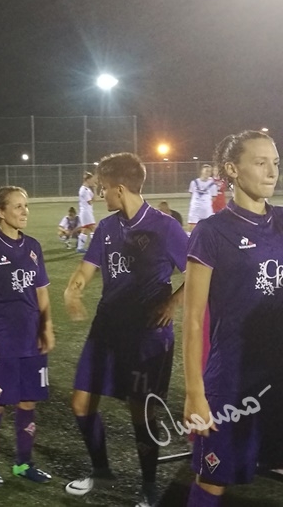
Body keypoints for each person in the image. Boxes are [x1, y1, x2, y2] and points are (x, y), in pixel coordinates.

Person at [63, 153, 188, 507]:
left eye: (103, 188)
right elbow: (86, 269)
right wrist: (73, 288)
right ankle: (101, 470)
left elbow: (197, 273)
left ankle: (149, 487)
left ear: (119, 188)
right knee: (81, 404)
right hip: (106, 329)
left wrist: (171, 304)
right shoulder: (106, 227)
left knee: (141, 413)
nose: (101, 195)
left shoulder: (165, 227)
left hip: (146, 335)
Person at [183, 131, 283, 506]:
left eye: (276, 163)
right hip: (231, 381)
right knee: (213, 478)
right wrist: (195, 394)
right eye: (260, 162)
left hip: (278, 375)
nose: (272, 172)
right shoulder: (211, 232)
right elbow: (194, 320)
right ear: (232, 169)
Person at [0, 186, 55, 486]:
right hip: (2, 341)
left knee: (28, 402)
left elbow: (41, 292)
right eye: (18, 206)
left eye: (25, 205)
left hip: (31, 340)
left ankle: (23, 463)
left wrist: (46, 326)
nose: (24, 211)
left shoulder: (33, 246)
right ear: (0, 211)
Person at [187, 164, 218, 231]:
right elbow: (191, 193)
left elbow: (214, 198)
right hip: (195, 210)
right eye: (206, 171)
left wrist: (205, 203)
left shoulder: (213, 185)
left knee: (207, 230)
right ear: (201, 171)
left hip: (206, 211)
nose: (207, 173)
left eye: (209, 171)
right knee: (192, 230)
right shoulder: (194, 182)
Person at [76, 172, 97, 253]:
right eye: (91, 179)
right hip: (86, 213)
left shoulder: (87, 189)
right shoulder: (84, 190)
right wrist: (94, 189)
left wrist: (94, 189)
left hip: (86, 212)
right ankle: (94, 247)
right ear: (87, 180)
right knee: (94, 228)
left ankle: (80, 248)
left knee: (85, 230)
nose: (92, 181)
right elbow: (90, 202)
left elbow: (94, 198)